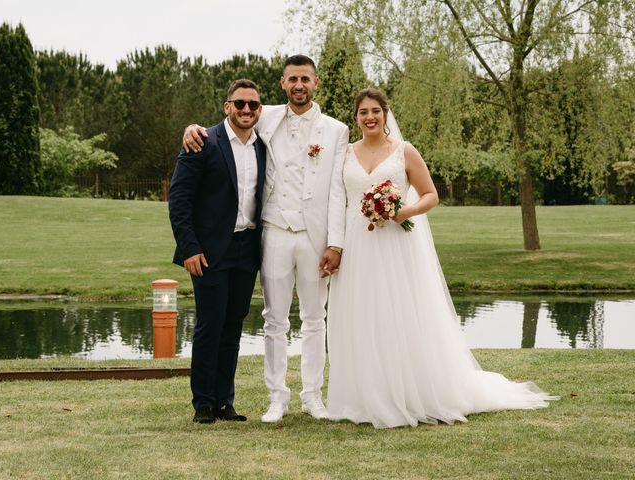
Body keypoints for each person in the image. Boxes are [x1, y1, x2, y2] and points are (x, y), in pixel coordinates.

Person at [325, 88, 557, 428]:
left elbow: (431, 194)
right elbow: (337, 199)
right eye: (363, 112)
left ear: (386, 114)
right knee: (362, 314)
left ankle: (408, 394)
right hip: (357, 243)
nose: (370, 117)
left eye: (375, 110)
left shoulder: (404, 151)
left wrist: (405, 212)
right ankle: (364, 395)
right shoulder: (344, 153)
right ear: (356, 117)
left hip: (395, 245)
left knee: (399, 315)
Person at [183, 55, 349, 423]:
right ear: (283, 82)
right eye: (293, 79)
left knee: (314, 319)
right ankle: (277, 397)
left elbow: (338, 191)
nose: (299, 85)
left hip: (314, 236)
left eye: (305, 79)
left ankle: (312, 396)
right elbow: (224, 126)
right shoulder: (265, 115)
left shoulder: (337, 131)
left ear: (316, 82)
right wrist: (193, 128)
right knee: (274, 320)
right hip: (273, 232)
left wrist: (335, 243)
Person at [168, 79, 266, 424]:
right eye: (239, 104)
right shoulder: (203, 141)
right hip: (209, 252)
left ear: (260, 109)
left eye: (253, 105)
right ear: (227, 106)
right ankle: (204, 404)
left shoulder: (264, 146)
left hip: (247, 249)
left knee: (234, 326)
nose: (246, 111)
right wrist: (189, 247)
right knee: (210, 325)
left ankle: (226, 401)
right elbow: (178, 200)